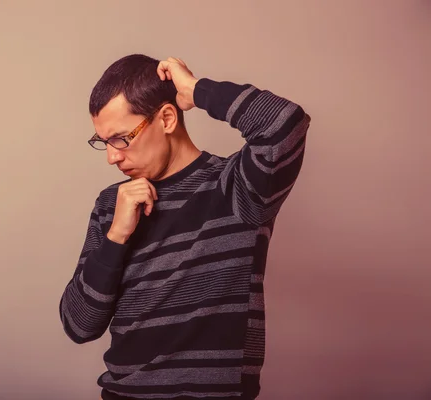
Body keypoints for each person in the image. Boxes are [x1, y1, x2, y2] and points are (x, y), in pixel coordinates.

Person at [59, 54, 311, 400]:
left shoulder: (236, 188)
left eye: (121, 138)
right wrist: (117, 236)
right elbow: (78, 325)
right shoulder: (111, 206)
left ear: (165, 118)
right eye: (103, 142)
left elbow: (285, 123)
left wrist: (196, 90)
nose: (111, 157)